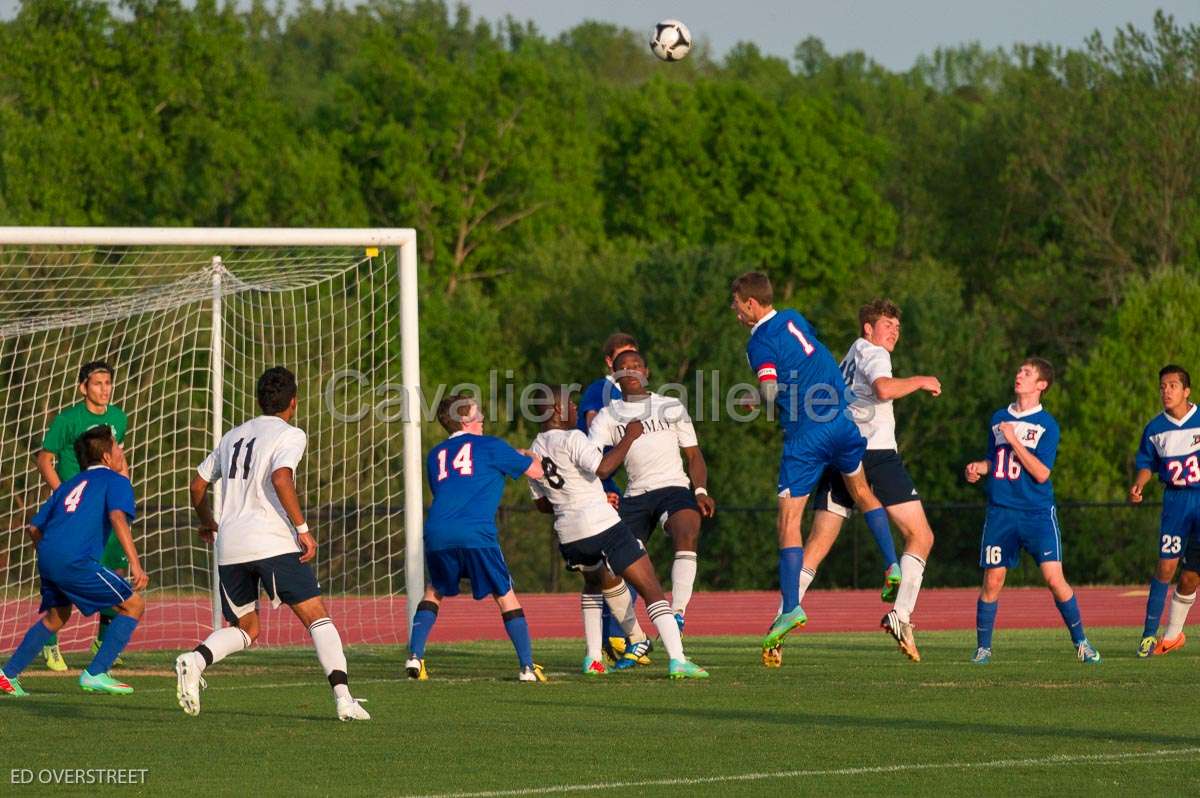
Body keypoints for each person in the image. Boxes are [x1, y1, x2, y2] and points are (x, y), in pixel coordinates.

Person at [174, 367, 370, 720]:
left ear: (258, 400)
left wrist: (208, 522)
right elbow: (281, 478)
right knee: (316, 617)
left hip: (230, 544)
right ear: (293, 402)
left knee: (246, 629)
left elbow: (196, 487)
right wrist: (303, 528)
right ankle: (344, 698)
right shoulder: (290, 434)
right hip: (273, 542)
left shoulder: (232, 436)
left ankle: (196, 659)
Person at [730, 271, 898, 667]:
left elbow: (771, 389)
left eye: (737, 303)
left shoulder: (759, 342)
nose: (735, 311)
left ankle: (791, 607)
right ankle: (892, 563)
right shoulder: (794, 316)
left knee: (788, 522)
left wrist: (760, 401)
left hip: (807, 434)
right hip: (843, 423)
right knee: (861, 492)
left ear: (751, 303)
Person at [529, 388, 708, 679]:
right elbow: (603, 468)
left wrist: (574, 500)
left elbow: (541, 504)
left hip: (568, 534)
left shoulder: (535, 448)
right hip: (600, 525)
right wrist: (630, 435)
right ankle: (678, 659)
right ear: (558, 412)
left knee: (592, 586)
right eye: (570, 404)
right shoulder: (573, 437)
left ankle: (592, 658)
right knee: (651, 587)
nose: (575, 408)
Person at [806, 299, 939, 661]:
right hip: (876, 455)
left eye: (897, 326)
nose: (894, 331)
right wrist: (921, 380)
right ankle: (901, 614)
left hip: (841, 453)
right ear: (868, 327)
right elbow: (883, 389)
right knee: (921, 535)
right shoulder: (876, 354)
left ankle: (784, 614)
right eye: (887, 324)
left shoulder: (852, 352)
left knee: (816, 547)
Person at [404, 392, 547, 683]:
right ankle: (528, 666)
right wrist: (529, 454)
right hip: (476, 532)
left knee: (435, 590)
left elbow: (451, 487)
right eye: (477, 414)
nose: (482, 418)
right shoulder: (491, 446)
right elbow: (537, 472)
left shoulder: (436, 455)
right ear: (464, 420)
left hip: (438, 531)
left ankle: (415, 656)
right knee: (505, 594)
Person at [965, 358, 1100, 665]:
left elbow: (1041, 473)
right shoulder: (999, 417)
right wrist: (979, 468)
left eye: (1027, 373)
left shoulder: (1047, 425)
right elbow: (993, 459)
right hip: (1001, 512)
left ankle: (1081, 642)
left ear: (1042, 385)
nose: (1019, 375)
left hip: (1037, 513)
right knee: (992, 581)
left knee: (1054, 578)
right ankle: (983, 648)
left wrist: (1014, 440)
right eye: (1019, 371)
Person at [0, 426, 148, 696]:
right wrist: (135, 564)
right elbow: (117, 518)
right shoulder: (116, 481)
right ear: (105, 456)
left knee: (57, 616)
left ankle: (7, 674)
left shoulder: (69, 484)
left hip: (48, 556)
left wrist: (51, 555)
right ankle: (97, 672)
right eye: (116, 446)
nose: (121, 451)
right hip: (75, 560)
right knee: (134, 604)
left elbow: (34, 529)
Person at [589, 350, 715, 658]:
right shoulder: (608, 415)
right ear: (615, 377)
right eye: (623, 368)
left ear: (646, 371)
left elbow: (694, 456)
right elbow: (593, 463)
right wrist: (601, 490)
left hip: (673, 488)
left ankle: (678, 613)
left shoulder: (670, 405)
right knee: (609, 572)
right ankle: (636, 636)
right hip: (635, 497)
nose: (630, 371)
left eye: (635, 366)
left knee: (688, 526)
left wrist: (699, 490)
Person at [34, 360, 130, 671]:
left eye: (108, 383)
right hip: (75, 509)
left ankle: (103, 640)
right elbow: (45, 459)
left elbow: (118, 457)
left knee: (114, 570)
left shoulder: (118, 418)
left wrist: (124, 487)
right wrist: (64, 493)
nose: (104, 389)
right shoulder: (68, 420)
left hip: (104, 507)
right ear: (83, 387)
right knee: (67, 574)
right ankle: (49, 643)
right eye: (97, 383)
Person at [577, 332, 644, 663]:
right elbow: (593, 440)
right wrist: (603, 489)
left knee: (621, 560)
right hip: (600, 484)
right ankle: (615, 637)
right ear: (609, 362)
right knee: (621, 560)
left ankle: (616, 637)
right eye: (622, 358)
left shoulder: (627, 395)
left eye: (634, 358)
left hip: (617, 483)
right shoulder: (601, 390)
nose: (629, 365)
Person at [1129, 364, 1200, 656]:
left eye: (1172, 385)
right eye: (1162, 386)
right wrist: (1139, 484)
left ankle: (1171, 636)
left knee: (1191, 576)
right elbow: (1147, 465)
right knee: (1166, 567)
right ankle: (1148, 635)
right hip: (1176, 502)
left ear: (1186, 391)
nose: (1166, 391)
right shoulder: (1155, 428)